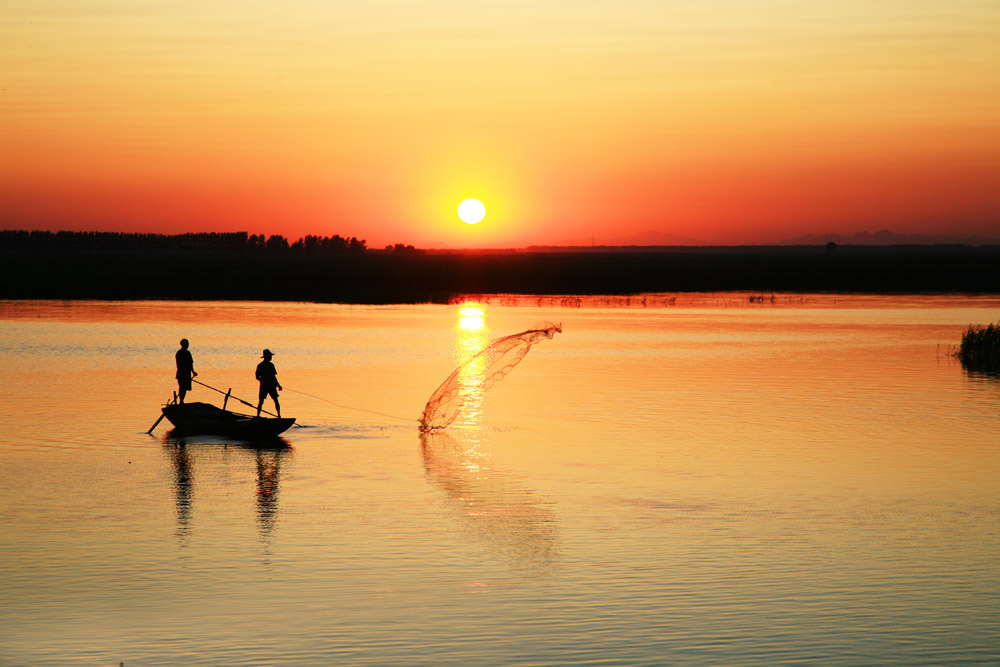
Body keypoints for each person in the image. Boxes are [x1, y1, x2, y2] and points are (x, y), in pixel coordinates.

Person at [256, 349, 282, 417]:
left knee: (261, 401)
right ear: (267, 356)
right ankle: (279, 415)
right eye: (270, 356)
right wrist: (278, 385)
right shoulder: (270, 365)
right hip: (271, 386)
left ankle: (258, 416)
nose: (271, 357)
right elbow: (273, 377)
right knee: (275, 400)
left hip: (263, 386)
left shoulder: (260, 365)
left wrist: (262, 380)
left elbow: (257, 377)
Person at [175, 338, 197, 403]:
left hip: (185, 373)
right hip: (183, 373)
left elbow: (190, 363)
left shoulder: (184, 353)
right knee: (182, 387)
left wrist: (193, 372)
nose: (188, 345)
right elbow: (180, 364)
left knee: (183, 388)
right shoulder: (181, 353)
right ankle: (181, 401)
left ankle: (181, 401)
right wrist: (192, 371)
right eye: (187, 344)